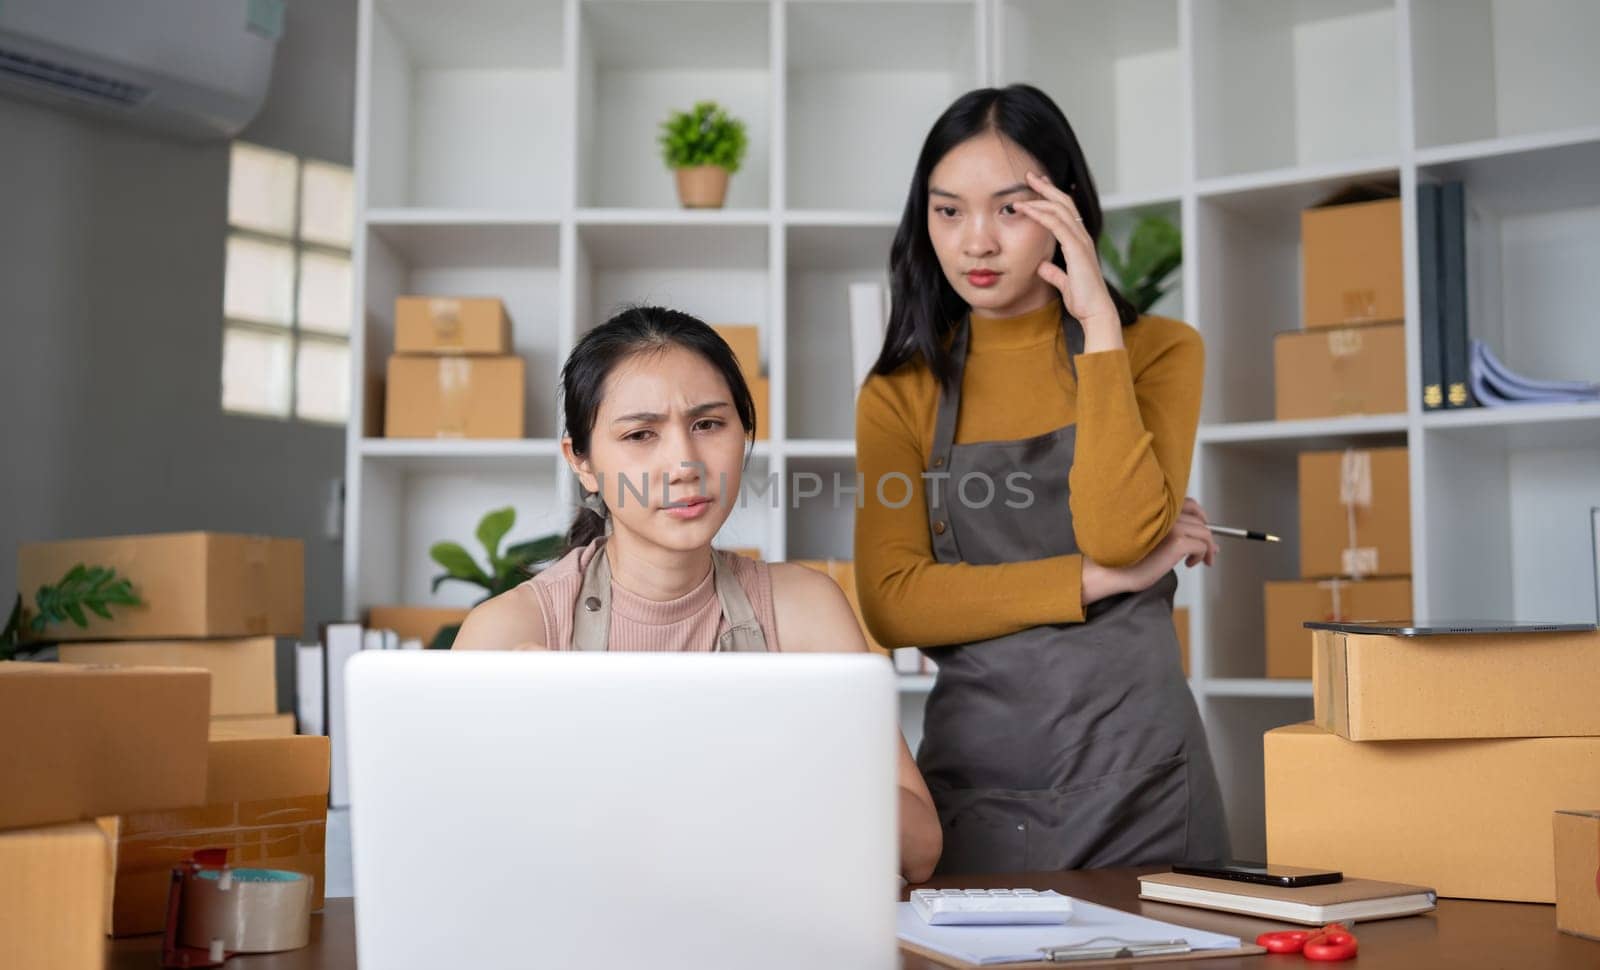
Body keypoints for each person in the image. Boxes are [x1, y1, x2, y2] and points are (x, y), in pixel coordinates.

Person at [853, 84, 1231, 874]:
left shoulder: (1158, 350)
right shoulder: (900, 389)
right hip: (975, 786)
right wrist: (1096, 580)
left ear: (1068, 212)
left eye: (1011, 209)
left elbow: (1119, 527)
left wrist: (1098, 328)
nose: (976, 243)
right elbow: (892, 601)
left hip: (1145, 784)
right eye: (948, 211)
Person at [454, 305, 943, 883]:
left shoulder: (805, 610)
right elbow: (463, 860)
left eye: (709, 425)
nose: (685, 464)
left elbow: (919, 850)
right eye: (640, 435)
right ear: (581, 462)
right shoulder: (510, 635)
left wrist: (789, 758)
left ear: (744, 434)